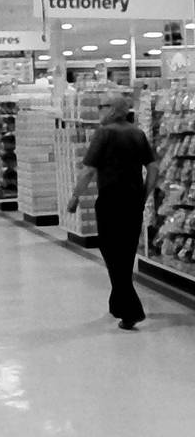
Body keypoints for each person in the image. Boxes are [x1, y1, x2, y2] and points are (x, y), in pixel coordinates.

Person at [67, 94, 159, 330]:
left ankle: (131, 311)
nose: (98, 110)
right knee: (126, 253)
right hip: (133, 202)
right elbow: (153, 167)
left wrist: (75, 197)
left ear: (113, 110)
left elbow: (89, 170)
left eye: (102, 106)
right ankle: (117, 303)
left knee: (110, 251)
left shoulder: (104, 133)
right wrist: (144, 194)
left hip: (110, 201)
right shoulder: (138, 133)